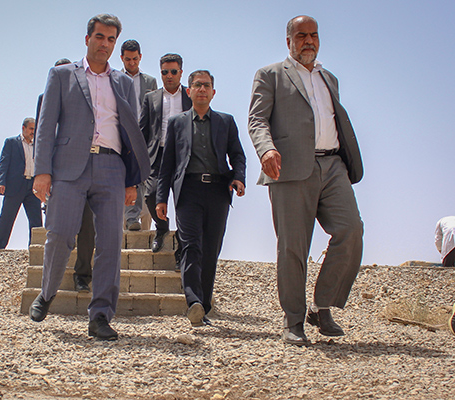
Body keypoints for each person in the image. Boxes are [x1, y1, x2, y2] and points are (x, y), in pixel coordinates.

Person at [29, 14, 150, 341]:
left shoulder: (123, 83)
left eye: (111, 39)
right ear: (87, 39)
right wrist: (42, 171)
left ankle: (100, 316)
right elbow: (46, 125)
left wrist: (132, 180)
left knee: (110, 242)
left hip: (112, 168)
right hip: (69, 167)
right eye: (100, 37)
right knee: (60, 235)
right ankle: (47, 292)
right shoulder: (61, 75)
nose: (105, 44)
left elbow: (130, 132)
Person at [248, 15, 364, 346]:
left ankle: (321, 305)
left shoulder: (329, 78)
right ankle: (293, 321)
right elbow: (257, 119)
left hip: (333, 165)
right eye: (301, 36)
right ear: (289, 41)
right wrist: (266, 149)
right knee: (293, 247)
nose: (309, 41)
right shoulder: (270, 74)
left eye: (314, 35)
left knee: (351, 230)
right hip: (289, 168)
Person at [156, 70, 246, 327]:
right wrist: (161, 198)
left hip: (218, 192)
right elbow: (167, 164)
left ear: (213, 92)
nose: (202, 89)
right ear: (189, 91)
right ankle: (193, 300)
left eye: (206, 85)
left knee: (211, 249)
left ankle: (203, 307)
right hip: (188, 191)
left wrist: (239, 178)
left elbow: (237, 155)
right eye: (197, 85)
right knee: (191, 246)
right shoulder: (177, 123)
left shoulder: (226, 122)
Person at [36, 58, 94, 293]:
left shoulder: (87, 96)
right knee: (58, 230)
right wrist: (43, 171)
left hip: (87, 170)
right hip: (60, 174)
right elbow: (43, 134)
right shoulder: (44, 99)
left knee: (88, 226)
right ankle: (50, 283)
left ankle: (83, 276)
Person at [140, 53, 192, 253]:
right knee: (151, 195)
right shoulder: (151, 98)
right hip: (157, 155)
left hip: (184, 156)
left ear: (181, 72)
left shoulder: (190, 95)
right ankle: (161, 229)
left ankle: (182, 240)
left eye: (173, 71)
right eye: (164, 72)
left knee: (184, 200)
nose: (169, 76)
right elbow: (143, 130)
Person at [120, 39, 157, 231]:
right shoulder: (115, 78)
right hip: (122, 134)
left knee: (142, 174)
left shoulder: (150, 81)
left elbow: (155, 109)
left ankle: (135, 218)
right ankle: (130, 217)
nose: (132, 63)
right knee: (126, 174)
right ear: (122, 58)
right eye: (128, 59)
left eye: (135, 59)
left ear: (140, 57)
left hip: (144, 135)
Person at [0, 118, 42, 249]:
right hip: (15, 186)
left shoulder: (38, 146)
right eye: (31, 129)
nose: (33, 132)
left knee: (36, 220)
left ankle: (35, 248)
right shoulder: (11, 142)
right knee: (7, 217)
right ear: (23, 128)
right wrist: (1, 182)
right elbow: (3, 163)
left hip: (33, 187)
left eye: (35, 129)